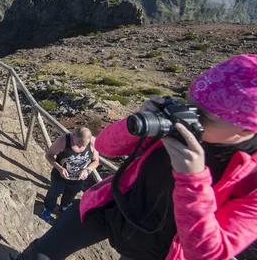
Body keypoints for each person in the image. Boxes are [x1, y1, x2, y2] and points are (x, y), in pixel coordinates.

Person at [18, 54, 257, 260]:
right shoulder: (179, 122)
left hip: (158, 250)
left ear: (245, 130)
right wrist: (138, 121)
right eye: (189, 103)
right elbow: (105, 147)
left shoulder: (252, 182)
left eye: (203, 115)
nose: (188, 116)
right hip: (111, 207)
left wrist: (192, 179)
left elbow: (207, 253)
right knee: (40, 254)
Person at [40, 127, 100, 224]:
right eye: (79, 144)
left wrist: (87, 170)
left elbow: (96, 161)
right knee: (54, 192)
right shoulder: (63, 141)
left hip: (78, 179)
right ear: (73, 136)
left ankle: (64, 209)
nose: (80, 147)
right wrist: (60, 168)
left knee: (70, 195)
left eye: (83, 145)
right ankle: (47, 209)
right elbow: (49, 155)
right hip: (59, 176)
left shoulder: (93, 142)